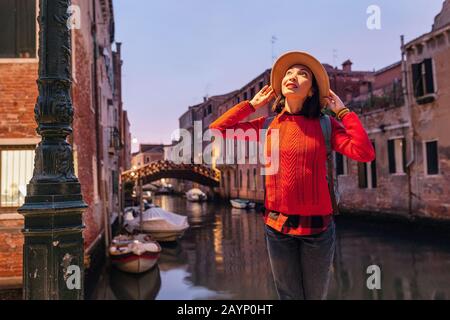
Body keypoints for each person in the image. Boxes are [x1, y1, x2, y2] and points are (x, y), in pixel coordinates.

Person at [209, 51, 376, 300]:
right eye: (289, 73)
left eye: (302, 73)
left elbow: (364, 153)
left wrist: (343, 112)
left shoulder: (326, 125)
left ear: (311, 91)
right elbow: (217, 129)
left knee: (314, 297)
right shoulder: (267, 125)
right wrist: (251, 106)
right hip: (277, 227)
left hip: (318, 230)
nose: (293, 76)